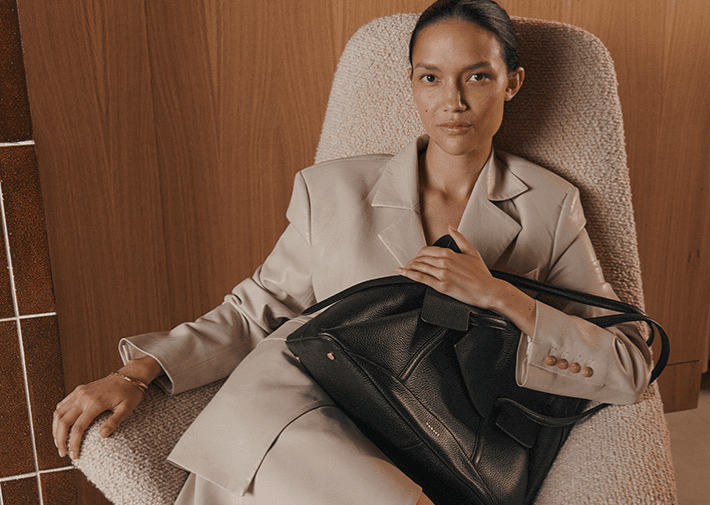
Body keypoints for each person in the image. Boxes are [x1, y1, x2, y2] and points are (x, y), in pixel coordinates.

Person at [53, 1, 651, 503]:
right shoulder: (330, 190)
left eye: (477, 76)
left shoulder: (549, 206)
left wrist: (499, 295)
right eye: (430, 77)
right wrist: (136, 373)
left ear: (511, 82)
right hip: (295, 407)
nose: (454, 101)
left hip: (434, 439)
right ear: (411, 84)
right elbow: (253, 312)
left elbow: (627, 367)